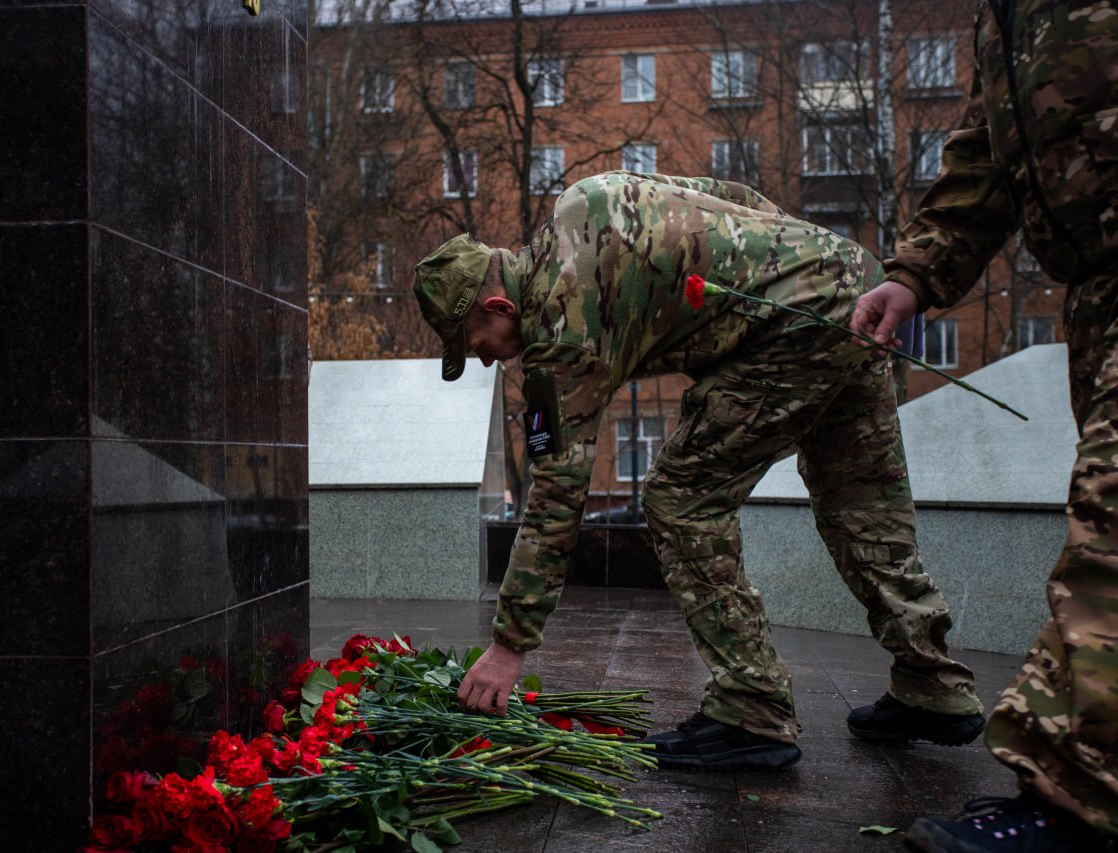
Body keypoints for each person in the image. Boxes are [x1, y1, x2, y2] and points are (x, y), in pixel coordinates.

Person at [412, 169, 985, 771]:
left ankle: (751, 706)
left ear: (499, 305)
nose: (483, 360)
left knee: (680, 498)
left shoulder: (561, 335)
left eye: (474, 343)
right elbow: (734, 198)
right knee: (862, 502)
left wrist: (508, 645)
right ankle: (932, 684)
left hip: (790, 329)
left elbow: (556, 497)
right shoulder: (583, 198)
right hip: (853, 285)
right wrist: (802, 274)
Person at [851, 2, 1118, 850]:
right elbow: (987, 151)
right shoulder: (1002, 17)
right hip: (1096, 290)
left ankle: (1076, 800)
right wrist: (916, 274)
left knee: (1110, 525)